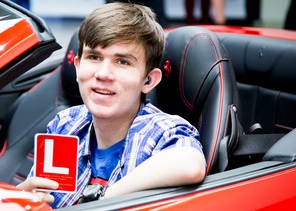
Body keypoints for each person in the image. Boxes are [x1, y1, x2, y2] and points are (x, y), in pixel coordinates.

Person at [17, 2, 206, 208]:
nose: (103, 74)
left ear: (149, 81)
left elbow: (191, 165)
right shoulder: (66, 124)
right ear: (78, 68)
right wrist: (21, 199)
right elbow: (42, 196)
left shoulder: (161, 131)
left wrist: (102, 198)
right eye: (94, 57)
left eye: (122, 62)